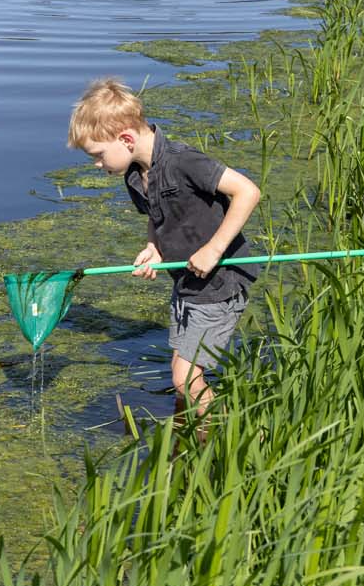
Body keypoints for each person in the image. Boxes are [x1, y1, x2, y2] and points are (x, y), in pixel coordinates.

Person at [69, 78, 262, 424]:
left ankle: (234, 438)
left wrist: (214, 249)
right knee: (182, 371)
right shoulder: (135, 175)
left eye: (98, 156)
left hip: (220, 281)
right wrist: (153, 248)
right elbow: (155, 216)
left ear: (126, 139)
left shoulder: (183, 162)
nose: (97, 164)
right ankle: (198, 434)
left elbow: (248, 192)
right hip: (187, 282)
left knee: (185, 380)